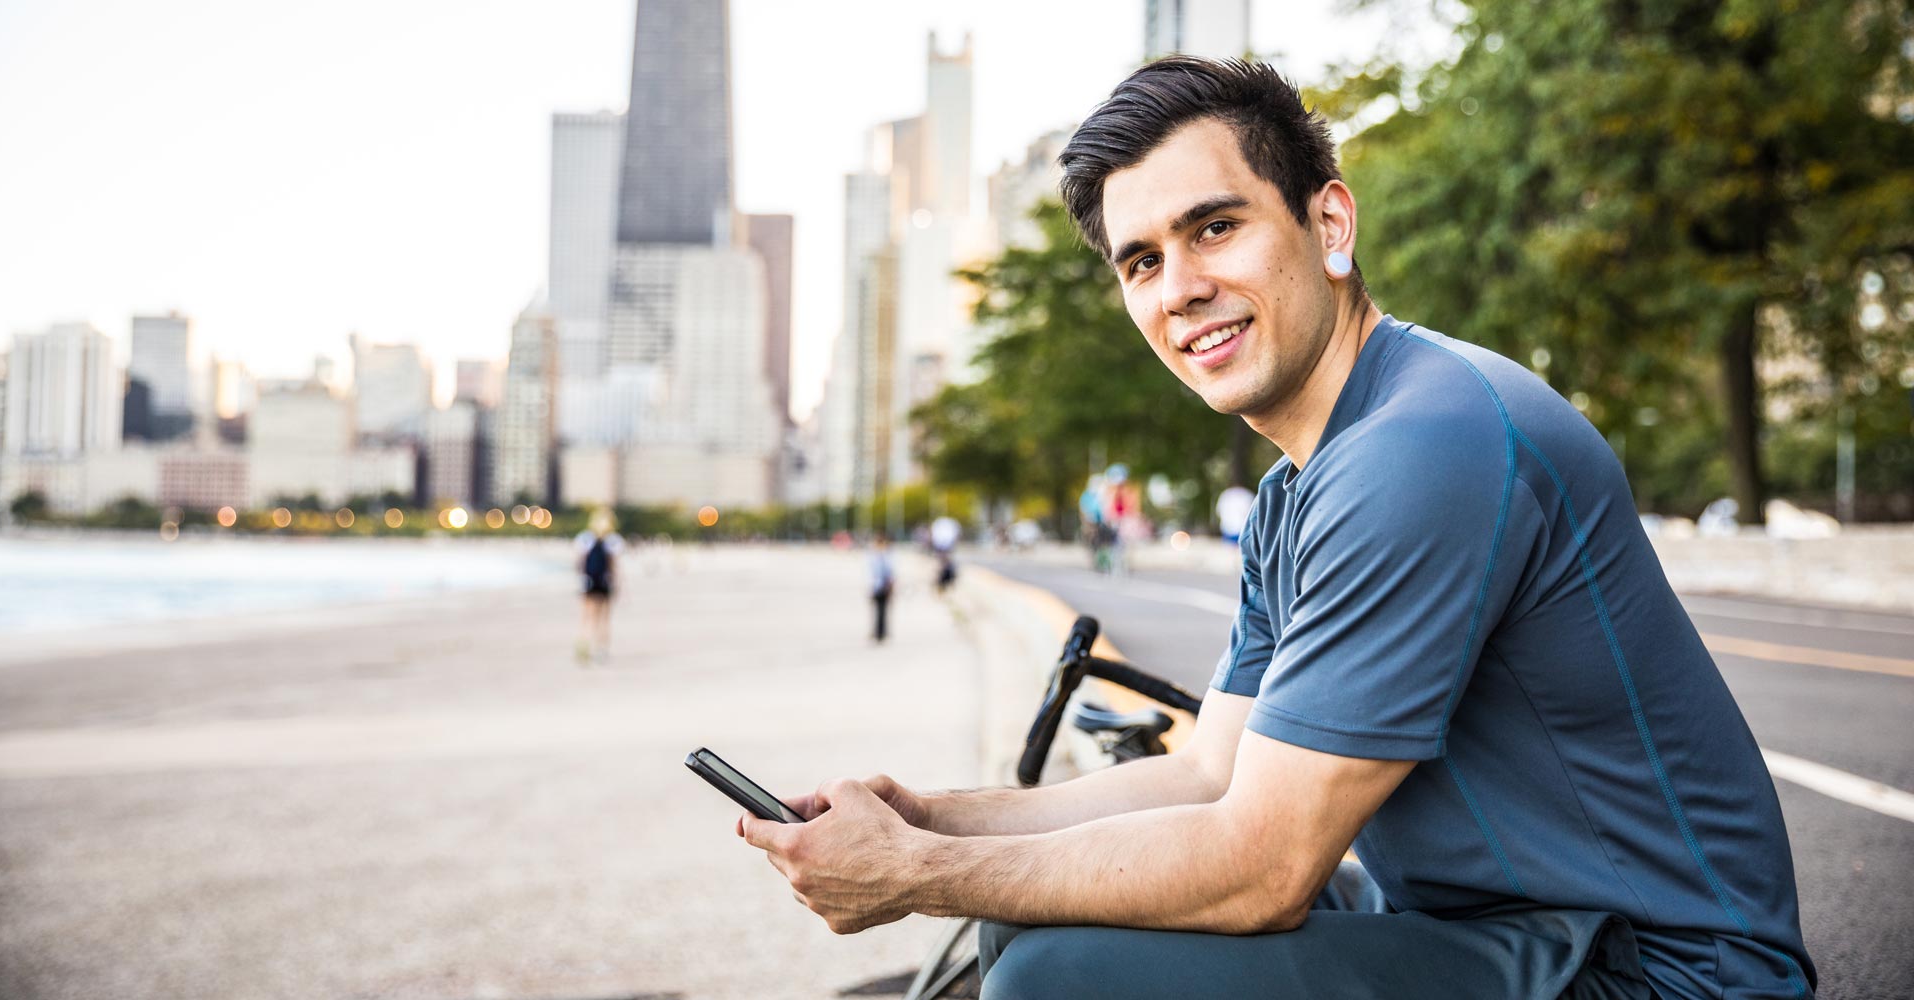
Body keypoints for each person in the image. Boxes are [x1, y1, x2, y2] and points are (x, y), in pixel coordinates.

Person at [735, 58, 1813, 1000]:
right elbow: (1213, 774)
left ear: (1328, 224)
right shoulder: (1304, 484)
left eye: (1215, 227)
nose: (1184, 289)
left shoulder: (1424, 445)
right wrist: (929, 818)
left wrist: (915, 878)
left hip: (1659, 970)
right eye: (1142, 261)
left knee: (1056, 974)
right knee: (1034, 920)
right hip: (1502, 927)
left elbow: (1261, 866)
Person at [572, 508, 624, 665]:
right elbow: (614, 566)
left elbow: (578, 562)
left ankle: (583, 645)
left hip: (588, 582)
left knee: (586, 616)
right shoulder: (613, 540)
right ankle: (601, 649)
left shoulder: (585, 538)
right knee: (604, 617)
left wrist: (581, 579)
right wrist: (619, 585)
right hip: (604, 583)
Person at [868, 534, 894, 643]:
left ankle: (882, 632)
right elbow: (869, 574)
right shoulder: (874, 557)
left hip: (884, 586)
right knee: (877, 610)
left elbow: (890, 572)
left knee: (883, 610)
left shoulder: (886, 557)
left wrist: (891, 585)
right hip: (876, 586)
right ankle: (877, 631)